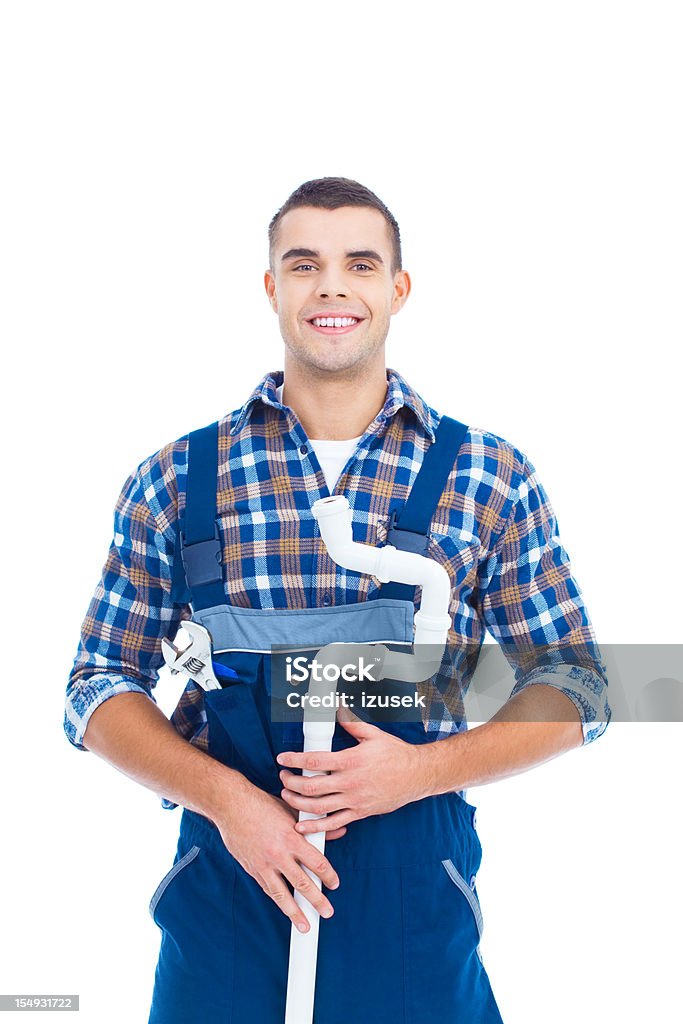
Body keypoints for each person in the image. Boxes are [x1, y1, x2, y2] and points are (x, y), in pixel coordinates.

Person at [65, 177, 611, 1023]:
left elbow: (581, 684)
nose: (330, 286)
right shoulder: (177, 479)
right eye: (303, 263)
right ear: (271, 287)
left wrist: (418, 772)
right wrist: (229, 801)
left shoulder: (486, 476)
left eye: (359, 263)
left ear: (395, 288)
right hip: (227, 892)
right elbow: (96, 686)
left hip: (413, 899)